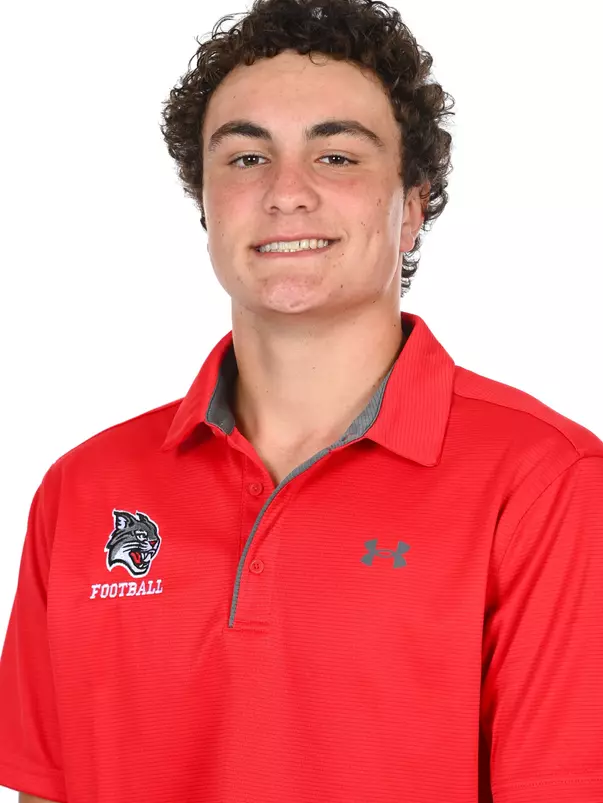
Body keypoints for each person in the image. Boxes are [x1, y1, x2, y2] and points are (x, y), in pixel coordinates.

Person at [1, 0, 602, 800]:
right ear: (205, 204)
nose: (286, 192)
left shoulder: (546, 482)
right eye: (246, 157)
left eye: (337, 156)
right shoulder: (81, 489)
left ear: (410, 208)